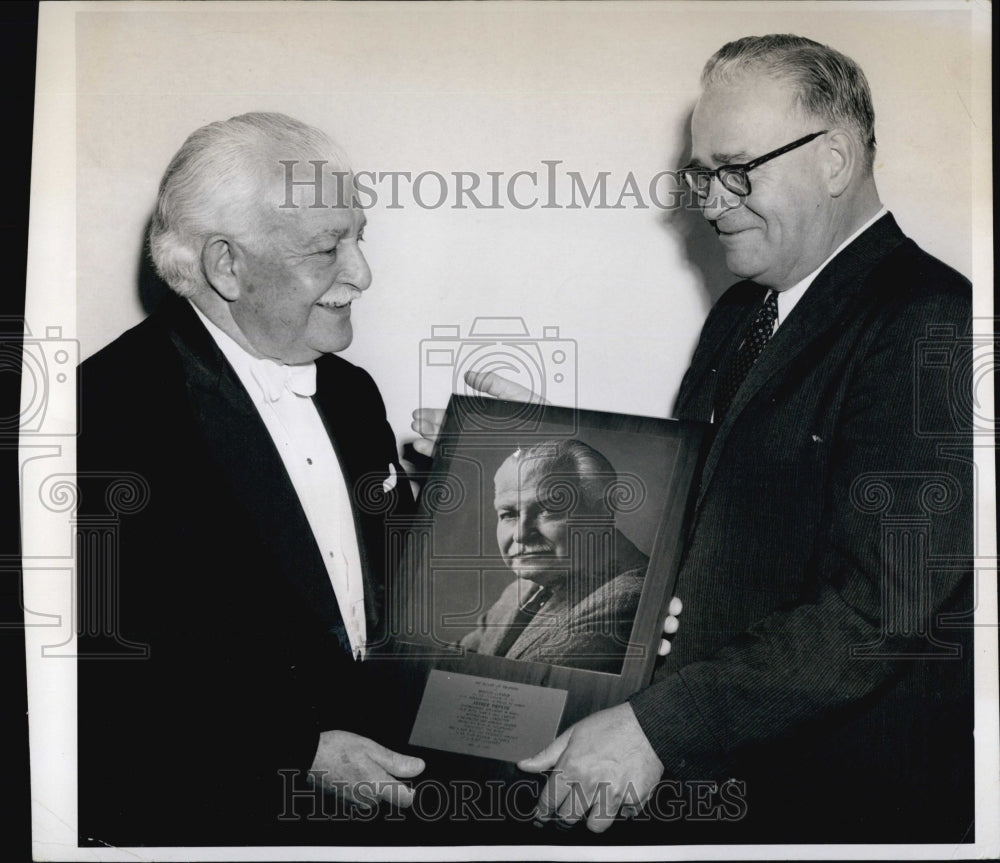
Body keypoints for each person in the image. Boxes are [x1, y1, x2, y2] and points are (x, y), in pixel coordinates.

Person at [415, 34, 973, 842]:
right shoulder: (744, 314)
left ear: (836, 160)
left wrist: (654, 730)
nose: (708, 201)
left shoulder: (932, 322)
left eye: (736, 169)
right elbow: (710, 507)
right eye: (700, 174)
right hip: (720, 776)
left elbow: (878, 612)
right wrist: (527, 438)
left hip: (833, 800)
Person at [76, 113, 425, 846]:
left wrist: (461, 482)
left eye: (360, 236)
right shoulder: (102, 415)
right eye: (329, 247)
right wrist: (297, 749)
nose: (362, 272)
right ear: (226, 265)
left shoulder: (354, 393)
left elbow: (383, 598)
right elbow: (101, 676)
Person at [460, 439, 649, 673]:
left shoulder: (628, 601)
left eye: (548, 509)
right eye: (508, 514)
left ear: (601, 513)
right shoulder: (520, 590)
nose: (520, 535)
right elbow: (455, 657)